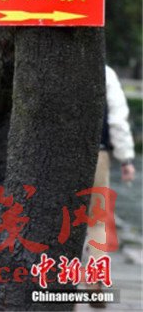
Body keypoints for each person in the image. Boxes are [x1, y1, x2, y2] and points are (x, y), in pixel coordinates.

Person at [85, 66, 136, 287]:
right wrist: (126, 159)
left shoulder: (52, 64)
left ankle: (62, 287)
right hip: (98, 152)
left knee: (61, 221)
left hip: (55, 156)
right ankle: (95, 283)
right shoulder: (104, 71)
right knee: (97, 221)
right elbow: (117, 120)